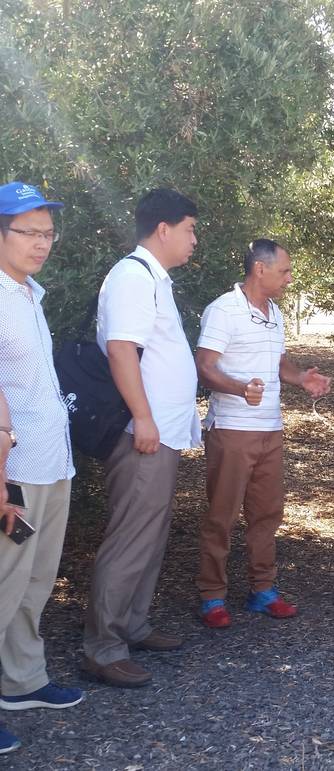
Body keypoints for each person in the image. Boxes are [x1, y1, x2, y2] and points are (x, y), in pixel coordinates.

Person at [82, 189, 201, 688]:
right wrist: (144, 417)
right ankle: (102, 647)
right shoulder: (133, 276)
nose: (195, 240)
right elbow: (121, 351)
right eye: (191, 229)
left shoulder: (154, 279)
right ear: (164, 229)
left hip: (160, 433)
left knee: (149, 534)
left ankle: (131, 624)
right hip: (143, 434)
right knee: (131, 537)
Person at [195, 239, 331, 628]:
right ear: (260, 269)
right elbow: (204, 366)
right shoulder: (223, 310)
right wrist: (240, 389)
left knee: (267, 515)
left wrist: (301, 377)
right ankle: (212, 596)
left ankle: (262, 590)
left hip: (270, 429)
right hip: (233, 430)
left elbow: (278, 364)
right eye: (284, 271)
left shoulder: (274, 311)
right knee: (221, 515)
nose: (289, 279)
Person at [0, 182, 84, 754]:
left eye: (48, 233)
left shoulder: (30, 294)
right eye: (29, 232)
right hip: (14, 469)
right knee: (3, 584)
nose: (42, 243)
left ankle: (22, 680)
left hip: (52, 460)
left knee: (33, 581)